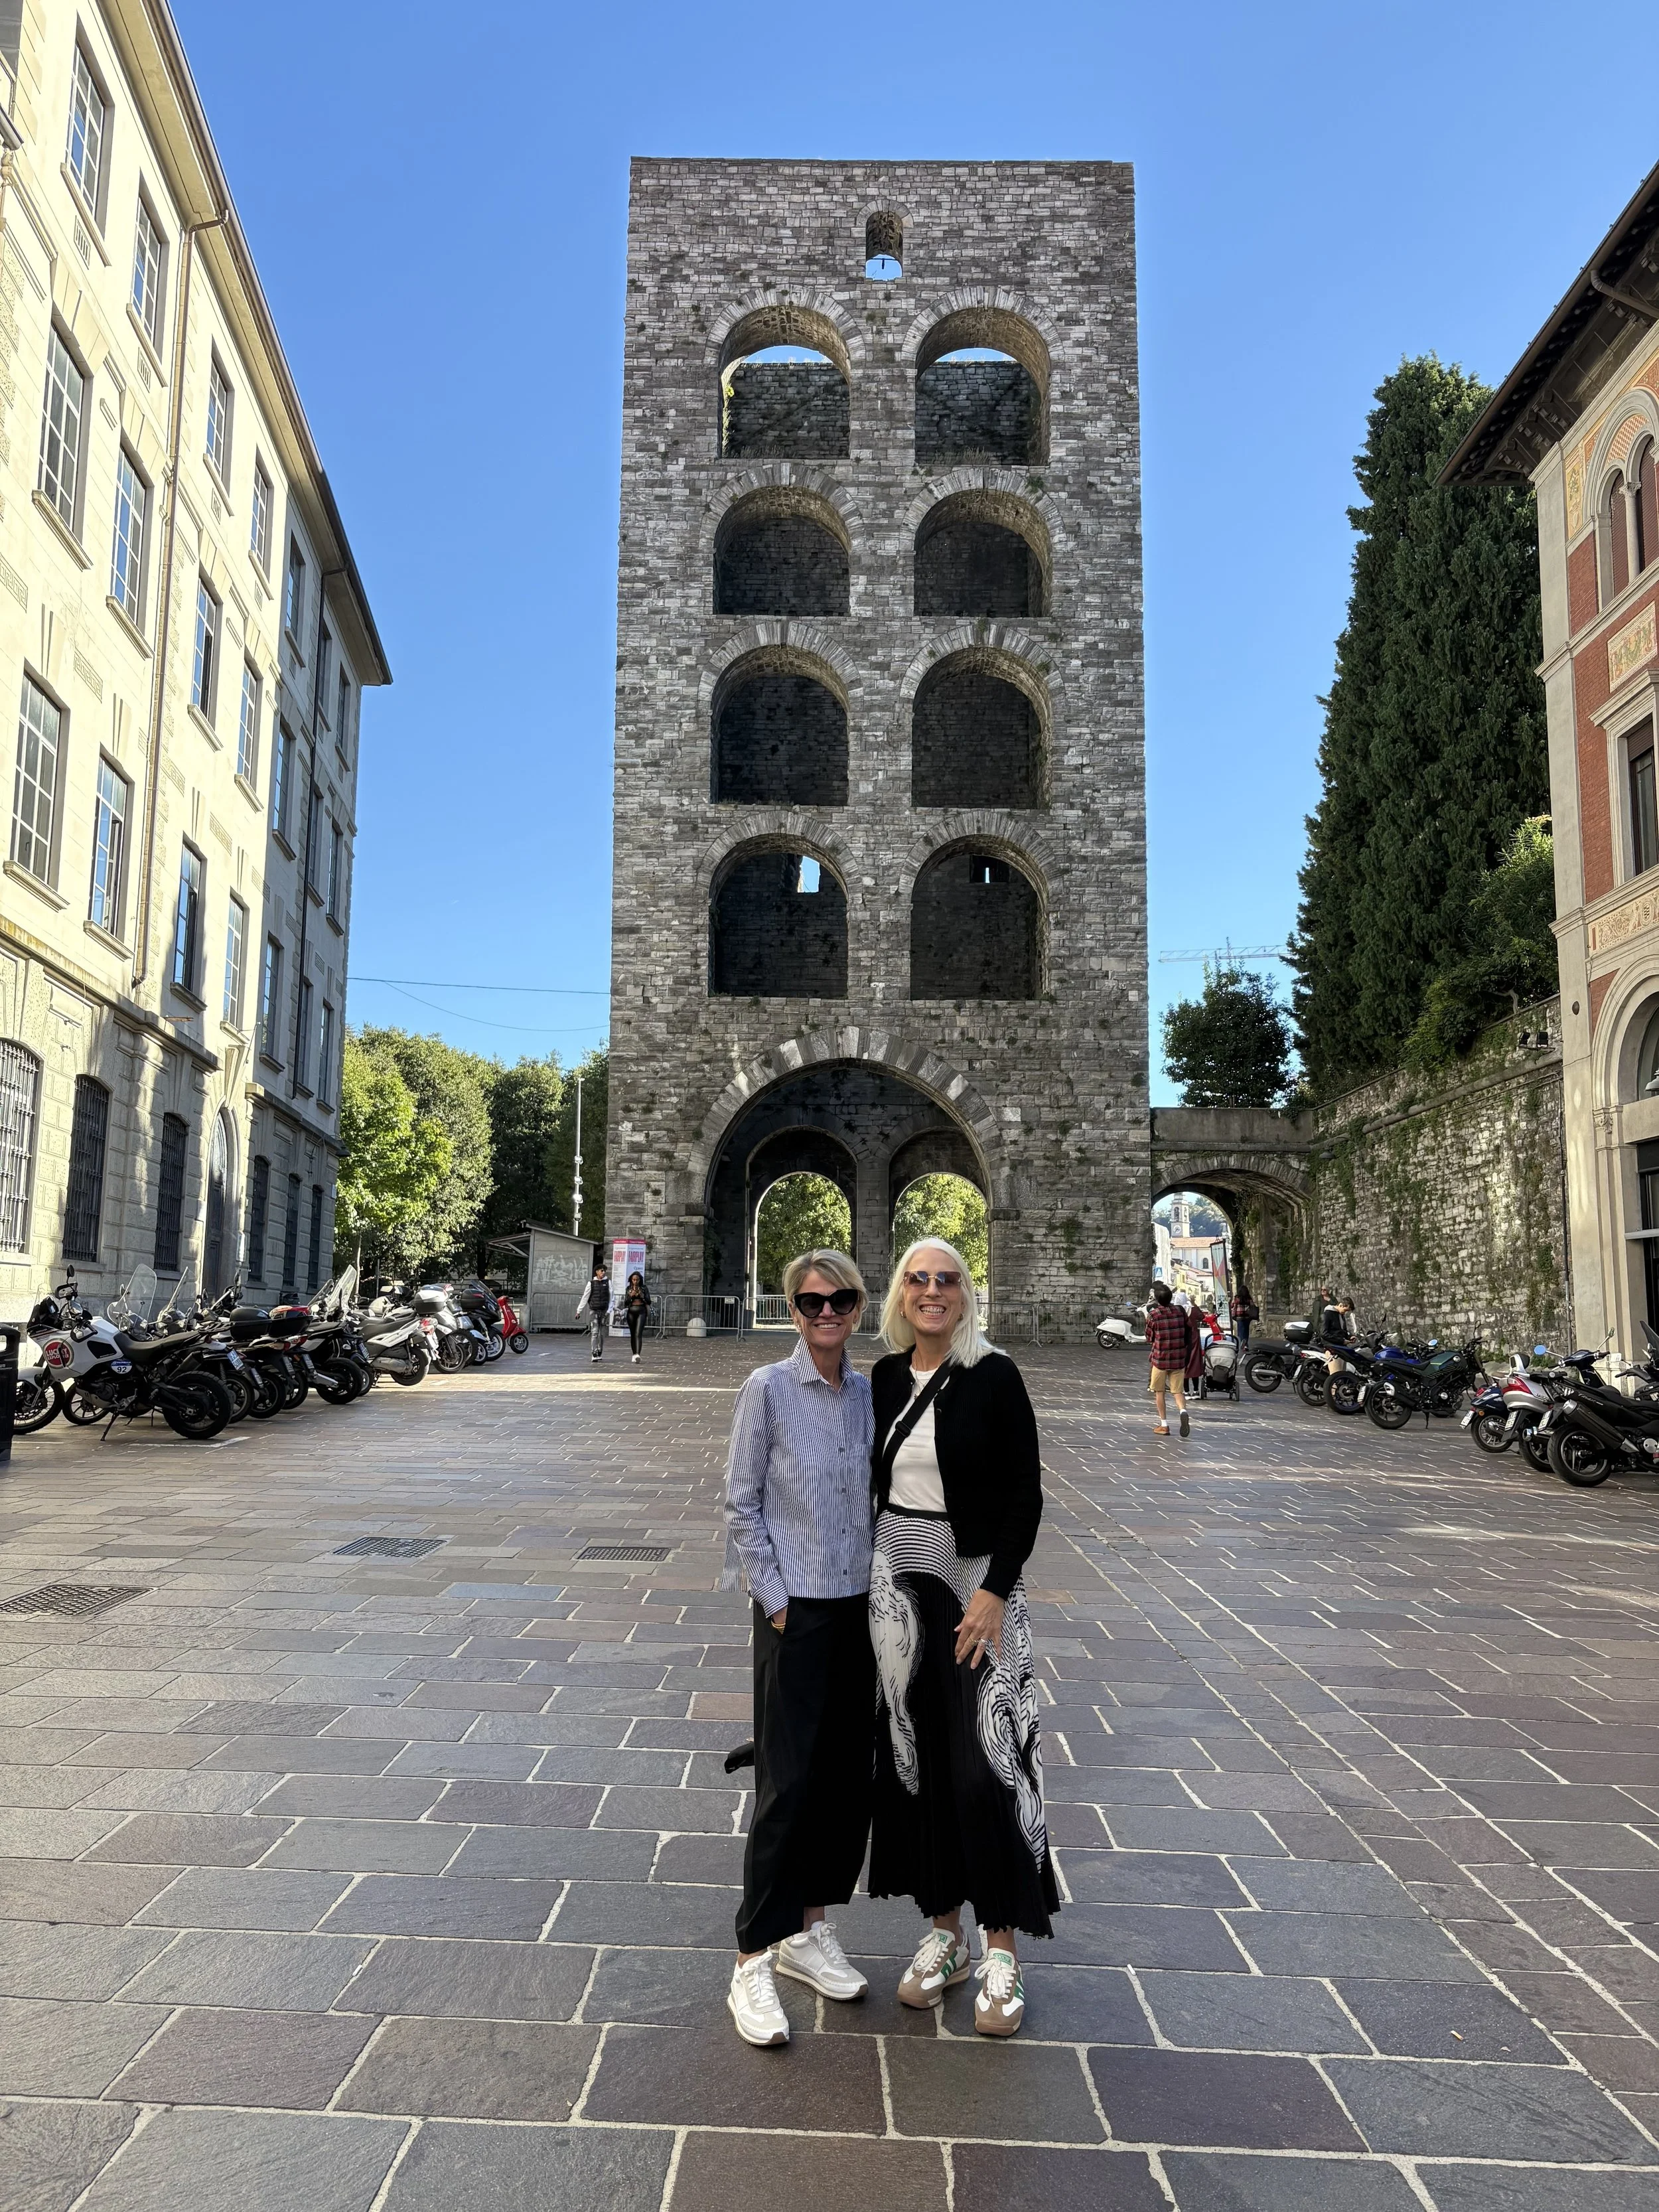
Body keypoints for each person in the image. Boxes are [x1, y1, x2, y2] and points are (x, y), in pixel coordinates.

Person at [868, 1240, 1056, 2039]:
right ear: (900, 1293)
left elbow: (1026, 1495)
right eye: (920, 1279)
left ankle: (1002, 1946)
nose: (933, 1292)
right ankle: (943, 1935)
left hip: (974, 1579)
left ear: (966, 1294)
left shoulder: (995, 1376)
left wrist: (992, 1592)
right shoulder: (880, 1378)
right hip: (894, 1582)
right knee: (918, 1763)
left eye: (948, 1280)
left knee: (988, 1764)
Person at [721, 1249, 877, 2048]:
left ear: (857, 1306)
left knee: (839, 1783)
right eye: (811, 1301)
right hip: (798, 1612)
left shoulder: (869, 1394)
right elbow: (740, 1504)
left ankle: (807, 1930)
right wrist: (776, 1603)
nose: (826, 1312)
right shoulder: (769, 1390)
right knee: (785, 1783)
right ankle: (752, 1955)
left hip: (859, 1613)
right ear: (792, 1310)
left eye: (839, 1299)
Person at [1145, 1281, 1194, 1438]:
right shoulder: (1180, 1311)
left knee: (1159, 1391)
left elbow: (1149, 1338)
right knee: (1178, 1391)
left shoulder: (1153, 1315)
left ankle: (1164, 1424)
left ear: (1158, 1300)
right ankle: (1183, 1410)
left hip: (1160, 1359)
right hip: (1179, 1358)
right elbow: (1188, 1328)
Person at [575, 1262, 611, 1362]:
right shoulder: (591, 1283)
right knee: (595, 1332)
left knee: (602, 1333)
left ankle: (600, 1350)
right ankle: (594, 1352)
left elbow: (612, 1297)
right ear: (597, 1272)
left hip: (604, 1310)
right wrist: (579, 1311)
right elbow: (585, 1297)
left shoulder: (608, 1283)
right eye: (602, 1271)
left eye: (604, 1271)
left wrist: (610, 1309)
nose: (603, 1273)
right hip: (594, 1310)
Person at [622, 1270, 651, 1364]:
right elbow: (626, 1303)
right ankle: (634, 1354)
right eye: (634, 1280)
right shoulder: (628, 1289)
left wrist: (642, 1296)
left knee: (638, 1333)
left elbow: (649, 1301)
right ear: (631, 1280)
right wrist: (631, 1296)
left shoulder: (644, 1288)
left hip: (641, 1311)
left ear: (640, 1280)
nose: (635, 1281)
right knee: (633, 1334)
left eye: (637, 1280)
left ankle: (638, 1354)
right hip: (631, 1312)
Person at [1232, 1282, 1259, 1350]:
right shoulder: (1248, 1298)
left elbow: (1232, 1306)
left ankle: (1243, 1344)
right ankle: (1246, 1344)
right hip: (1247, 1317)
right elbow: (1253, 1306)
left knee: (1241, 1331)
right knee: (1246, 1331)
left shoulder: (1237, 1298)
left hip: (1239, 1317)